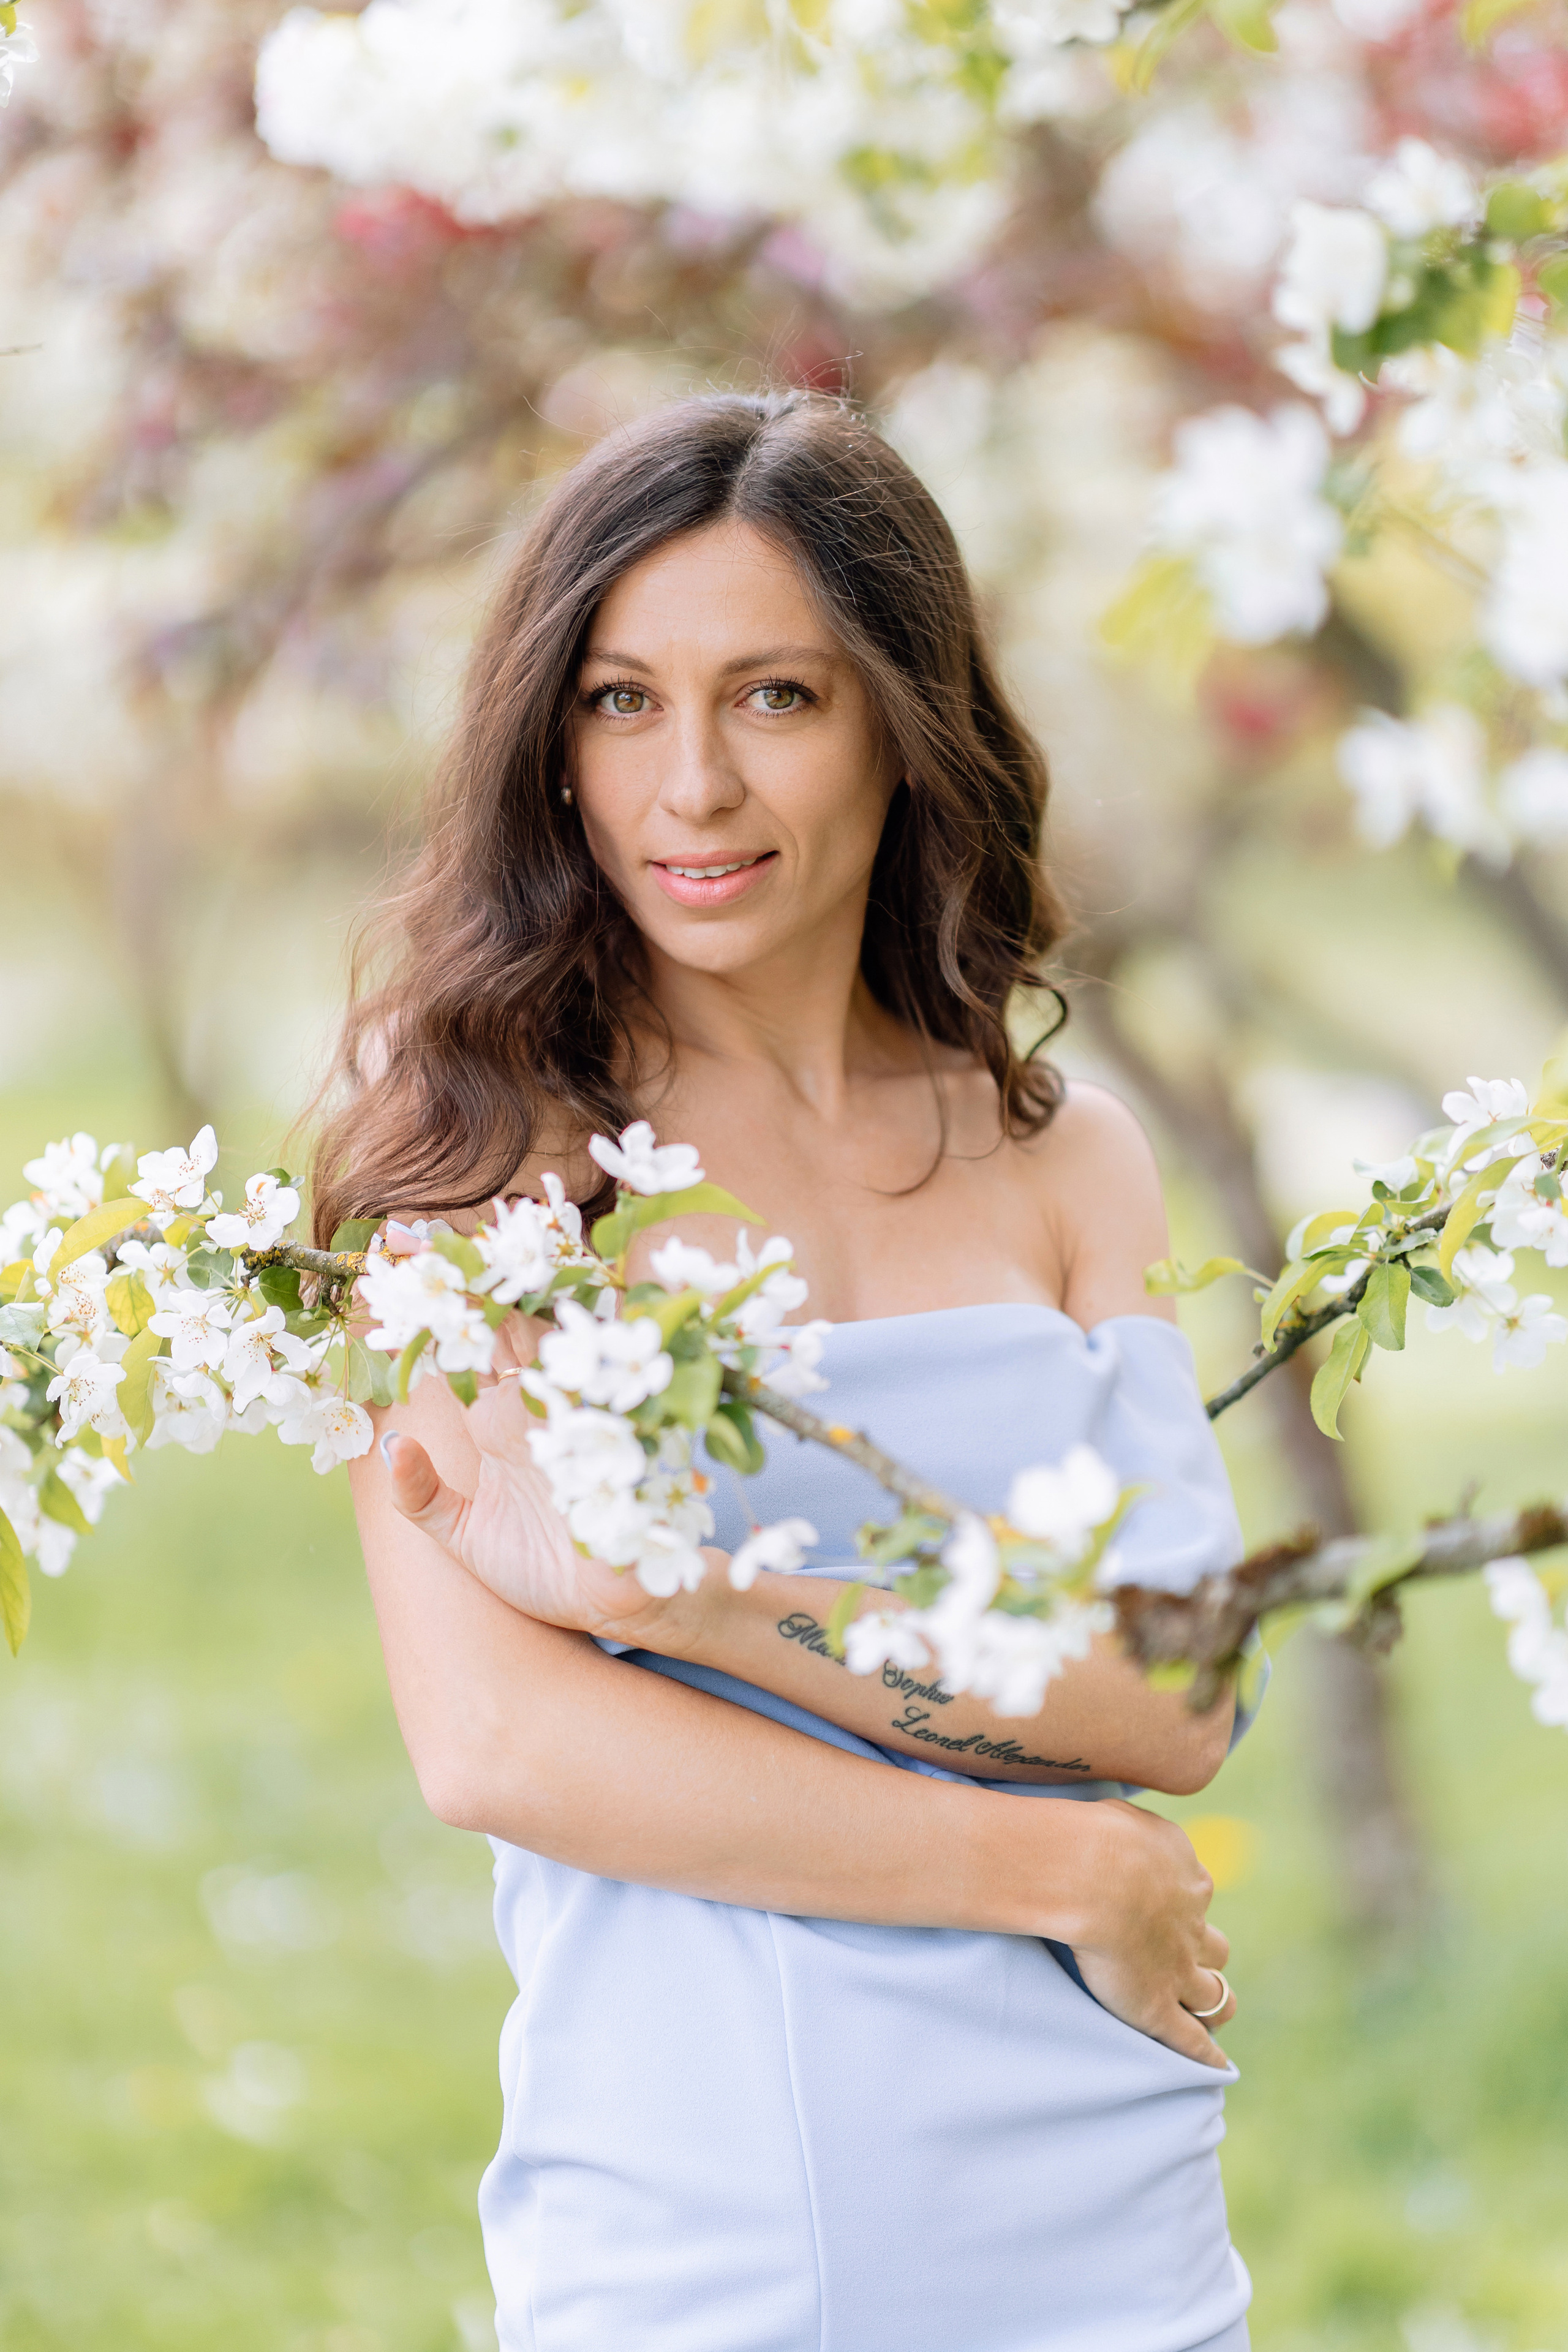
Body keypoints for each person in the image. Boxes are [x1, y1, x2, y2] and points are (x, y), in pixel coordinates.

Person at [321, 390, 1257, 2352]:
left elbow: (1179, 1695)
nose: (693, 791)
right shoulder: (479, 1160)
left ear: (907, 732)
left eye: (774, 698)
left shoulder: (1067, 1156)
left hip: (1116, 2211)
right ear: (546, 741)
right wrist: (1058, 1866)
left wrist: (707, 1602)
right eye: (619, 700)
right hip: (713, 2226)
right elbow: (501, 1745)